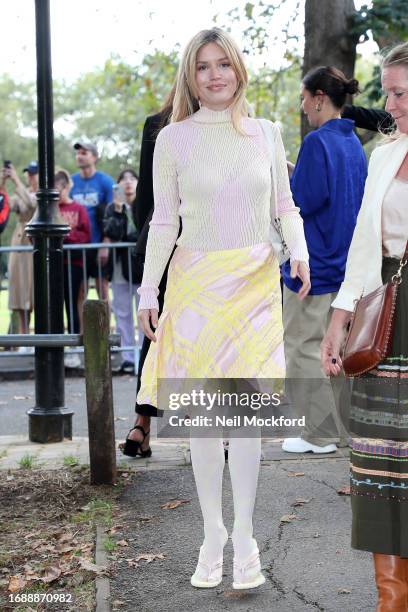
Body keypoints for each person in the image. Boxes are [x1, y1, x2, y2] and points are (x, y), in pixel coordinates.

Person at [137, 28, 310, 590]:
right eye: (203, 66)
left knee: (247, 421)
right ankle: (213, 534)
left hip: (255, 283)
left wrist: (300, 252)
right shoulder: (173, 139)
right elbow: (163, 220)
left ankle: (245, 534)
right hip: (195, 284)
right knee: (206, 421)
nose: (215, 75)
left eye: (224, 64)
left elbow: (284, 203)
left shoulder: (268, 133)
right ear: (191, 77)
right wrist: (147, 290)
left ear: (238, 70)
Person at [321, 42, 408, 610]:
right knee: (382, 461)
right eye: (389, 91)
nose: (390, 103)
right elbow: (361, 245)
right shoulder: (382, 156)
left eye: (400, 92)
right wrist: (338, 318)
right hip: (391, 315)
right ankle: (392, 600)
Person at [281, 67, 367, 455]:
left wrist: (282, 180)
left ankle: (317, 433)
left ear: (318, 97)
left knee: (303, 346)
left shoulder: (317, 143)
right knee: (338, 351)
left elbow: (300, 202)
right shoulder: (353, 144)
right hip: (348, 267)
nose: (302, 107)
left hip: (315, 265)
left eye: (303, 98)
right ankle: (343, 430)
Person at [120, 86, 176, 457]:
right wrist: (149, 238)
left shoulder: (227, 122)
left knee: (212, 332)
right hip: (163, 238)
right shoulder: (156, 125)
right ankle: (143, 420)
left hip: (209, 243)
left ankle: (215, 425)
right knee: (153, 330)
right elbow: (146, 193)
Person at [103, 169, 141, 375]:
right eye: (123, 180)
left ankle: (143, 354)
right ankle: (127, 356)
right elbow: (112, 232)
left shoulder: (144, 204)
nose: (128, 183)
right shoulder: (112, 208)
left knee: (143, 310)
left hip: (141, 266)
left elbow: (141, 232)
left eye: (132, 179)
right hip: (120, 267)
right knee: (123, 312)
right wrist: (118, 211)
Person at [70, 141, 115, 306]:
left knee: (102, 290)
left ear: (94, 157)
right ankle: (83, 332)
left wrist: (106, 243)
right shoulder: (71, 182)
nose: (79, 156)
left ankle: (106, 332)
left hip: (99, 244)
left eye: (84, 153)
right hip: (78, 246)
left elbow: (115, 214)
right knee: (80, 292)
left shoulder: (106, 181)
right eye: (78, 153)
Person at [54, 169, 91, 344]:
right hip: (54, 264)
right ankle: (56, 345)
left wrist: (64, 236)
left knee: (73, 304)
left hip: (74, 263)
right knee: (54, 306)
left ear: (68, 186)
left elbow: (86, 235)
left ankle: (73, 345)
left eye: (61, 187)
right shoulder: (50, 210)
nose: (58, 191)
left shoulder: (78, 208)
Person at [1, 162, 38, 337]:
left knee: (33, 290)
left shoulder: (42, 194)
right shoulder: (21, 191)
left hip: (33, 243)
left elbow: (32, 205)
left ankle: (39, 335)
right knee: (19, 290)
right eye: (27, 174)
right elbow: (7, 205)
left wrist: (16, 181)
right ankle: (24, 336)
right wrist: (2, 182)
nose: (30, 177)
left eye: (33, 173)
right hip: (19, 242)